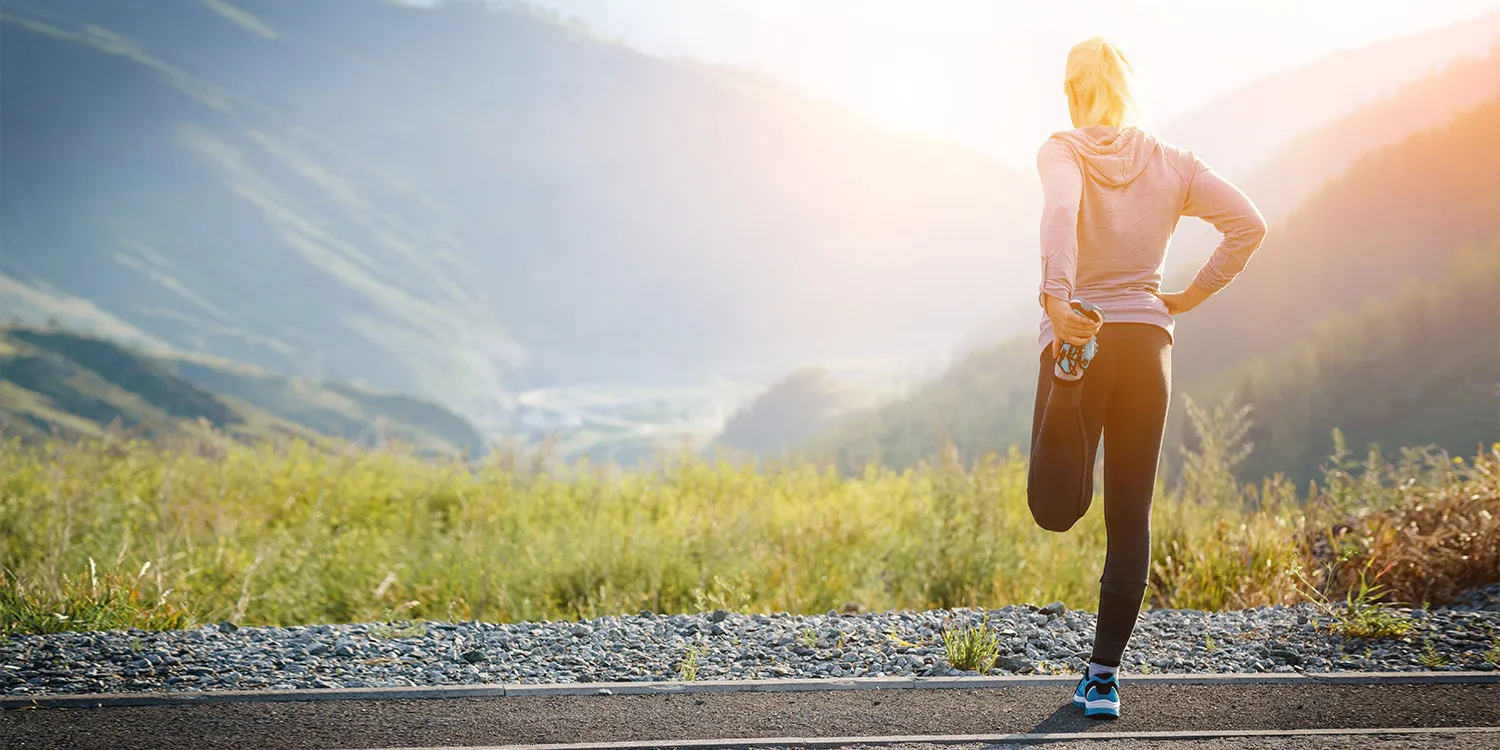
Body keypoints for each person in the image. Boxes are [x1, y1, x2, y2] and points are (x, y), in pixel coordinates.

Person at [1026, 37, 1268, 720]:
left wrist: (1058, 297)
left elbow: (1058, 215)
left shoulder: (1061, 149)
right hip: (1149, 343)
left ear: (1072, 89)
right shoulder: (1175, 163)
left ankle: (1070, 378)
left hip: (1083, 331)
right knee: (1130, 515)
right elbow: (1248, 225)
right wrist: (1188, 298)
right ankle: (1102, 678)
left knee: (1055, 509)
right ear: (1129, 89)